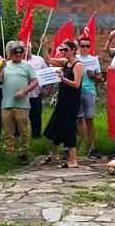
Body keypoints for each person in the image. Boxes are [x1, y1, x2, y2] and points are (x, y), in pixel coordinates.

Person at [0, 41, 40, 165]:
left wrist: (24, 91)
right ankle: (8, 152)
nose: (18, 54)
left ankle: (23, 153)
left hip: (22, 103)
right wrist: (0, 69)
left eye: (21, 52)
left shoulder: (27, 66)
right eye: (16, 52)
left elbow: (35, 81)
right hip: (7, 103)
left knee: (24, 130)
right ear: (10, 53)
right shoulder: (4, 65)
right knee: (8, 131)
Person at [42, 40, 84, 168]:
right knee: (56, 123)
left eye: (65, 50)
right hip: (63, 98)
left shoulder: (78, 65)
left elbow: (76, 85)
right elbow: (48, 59)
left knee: (69, 127)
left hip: (72, 101)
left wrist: (63, 78)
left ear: (73, 50)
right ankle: (54, 153)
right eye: (62, 50)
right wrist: (44, 45)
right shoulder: (66, 62)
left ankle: (73, 160)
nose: (63, 52)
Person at [25, 43, 49, 138]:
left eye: (27, 47)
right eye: (23, 47)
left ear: (31, 48)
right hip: (21, 95)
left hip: (36, 94)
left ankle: (36, 136)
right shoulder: (16, 61)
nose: (26, 49)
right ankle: (21, 136)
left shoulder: (39, 60)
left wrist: (47, 88)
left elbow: (47, 73)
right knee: (20, 118)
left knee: (36, 116)